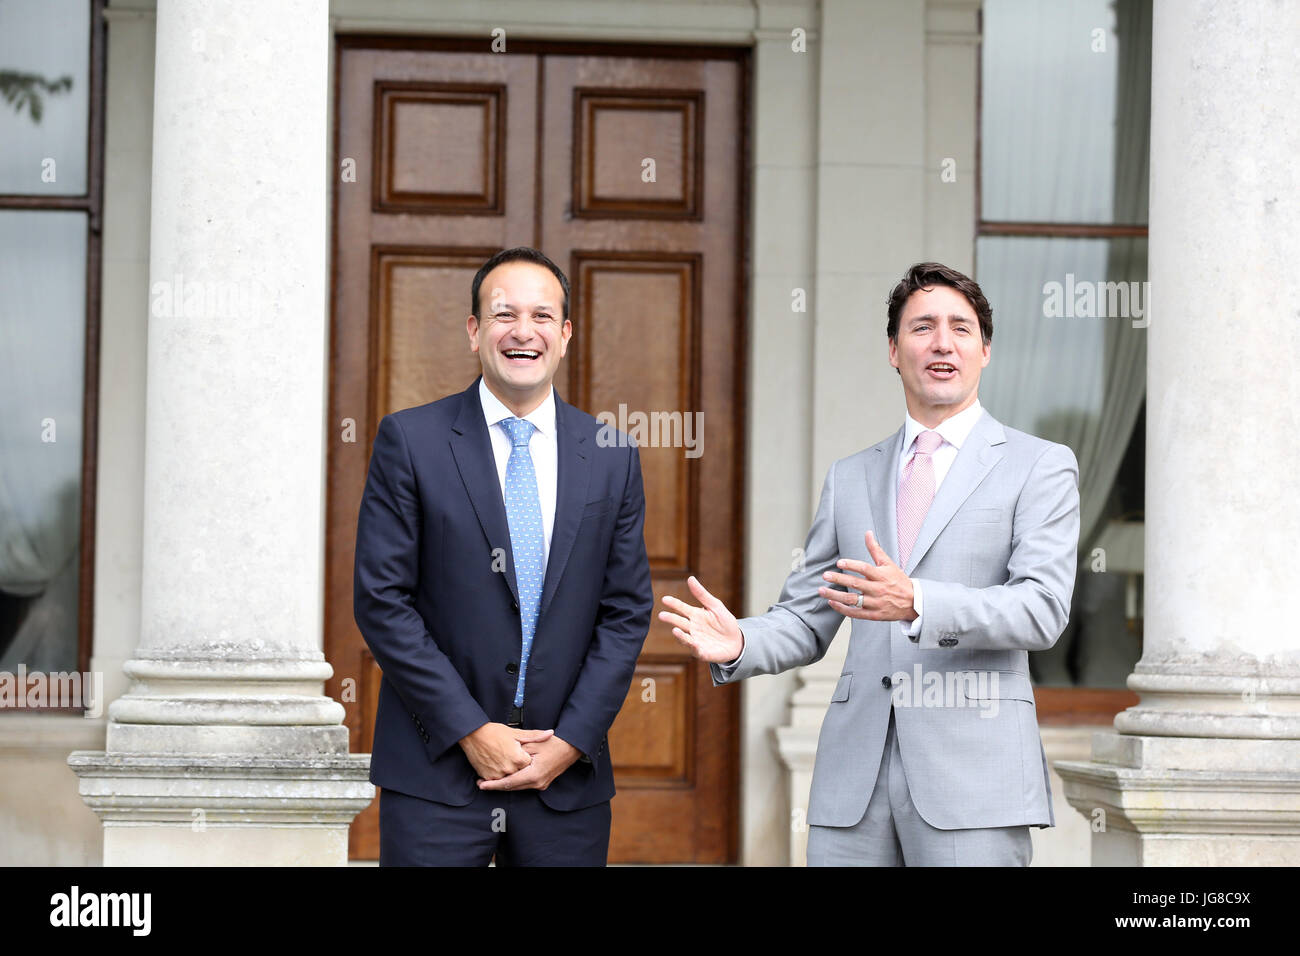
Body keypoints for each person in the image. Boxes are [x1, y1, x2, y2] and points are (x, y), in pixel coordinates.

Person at [662, 262, 1080, 866]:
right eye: (922, 327)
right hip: (851, 789)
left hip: (974, 784)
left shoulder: (1038, 465)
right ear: (893, 350)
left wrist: (919, 601)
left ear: (985, 350)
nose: (942, 342)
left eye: (961, 328)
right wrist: (740, 642)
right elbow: (808, 620)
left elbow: (1041, 610)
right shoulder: (850, 475)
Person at [354, 246, 653, 866]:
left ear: (565, 335)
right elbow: (382, 602)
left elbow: (625, 612)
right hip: (436, 775)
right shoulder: (411, 442)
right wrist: (472, 730)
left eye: (543, 317)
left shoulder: (611, 454)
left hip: (565, 780)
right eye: (503, 315)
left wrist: (571, 740)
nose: (523, 332)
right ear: (474, 331)